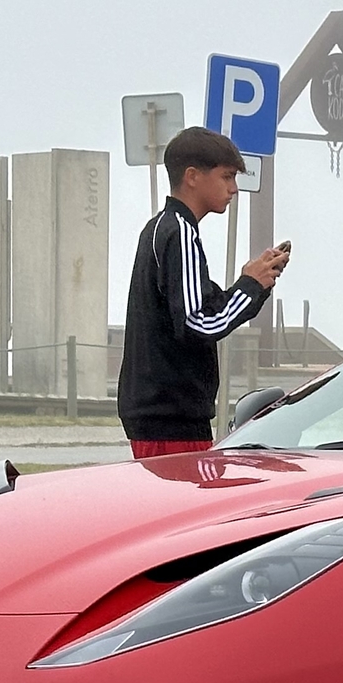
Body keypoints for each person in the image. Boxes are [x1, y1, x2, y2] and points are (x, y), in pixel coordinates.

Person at [118, 127, 290, 455]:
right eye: (226, 177)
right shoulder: (180, 233)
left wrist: (252, 281)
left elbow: (199, 309)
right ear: (193, 176)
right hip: (171, 417)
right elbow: (200, 323)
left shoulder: (160, 228)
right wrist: (250, 286)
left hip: (158, 414)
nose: (233, 188)